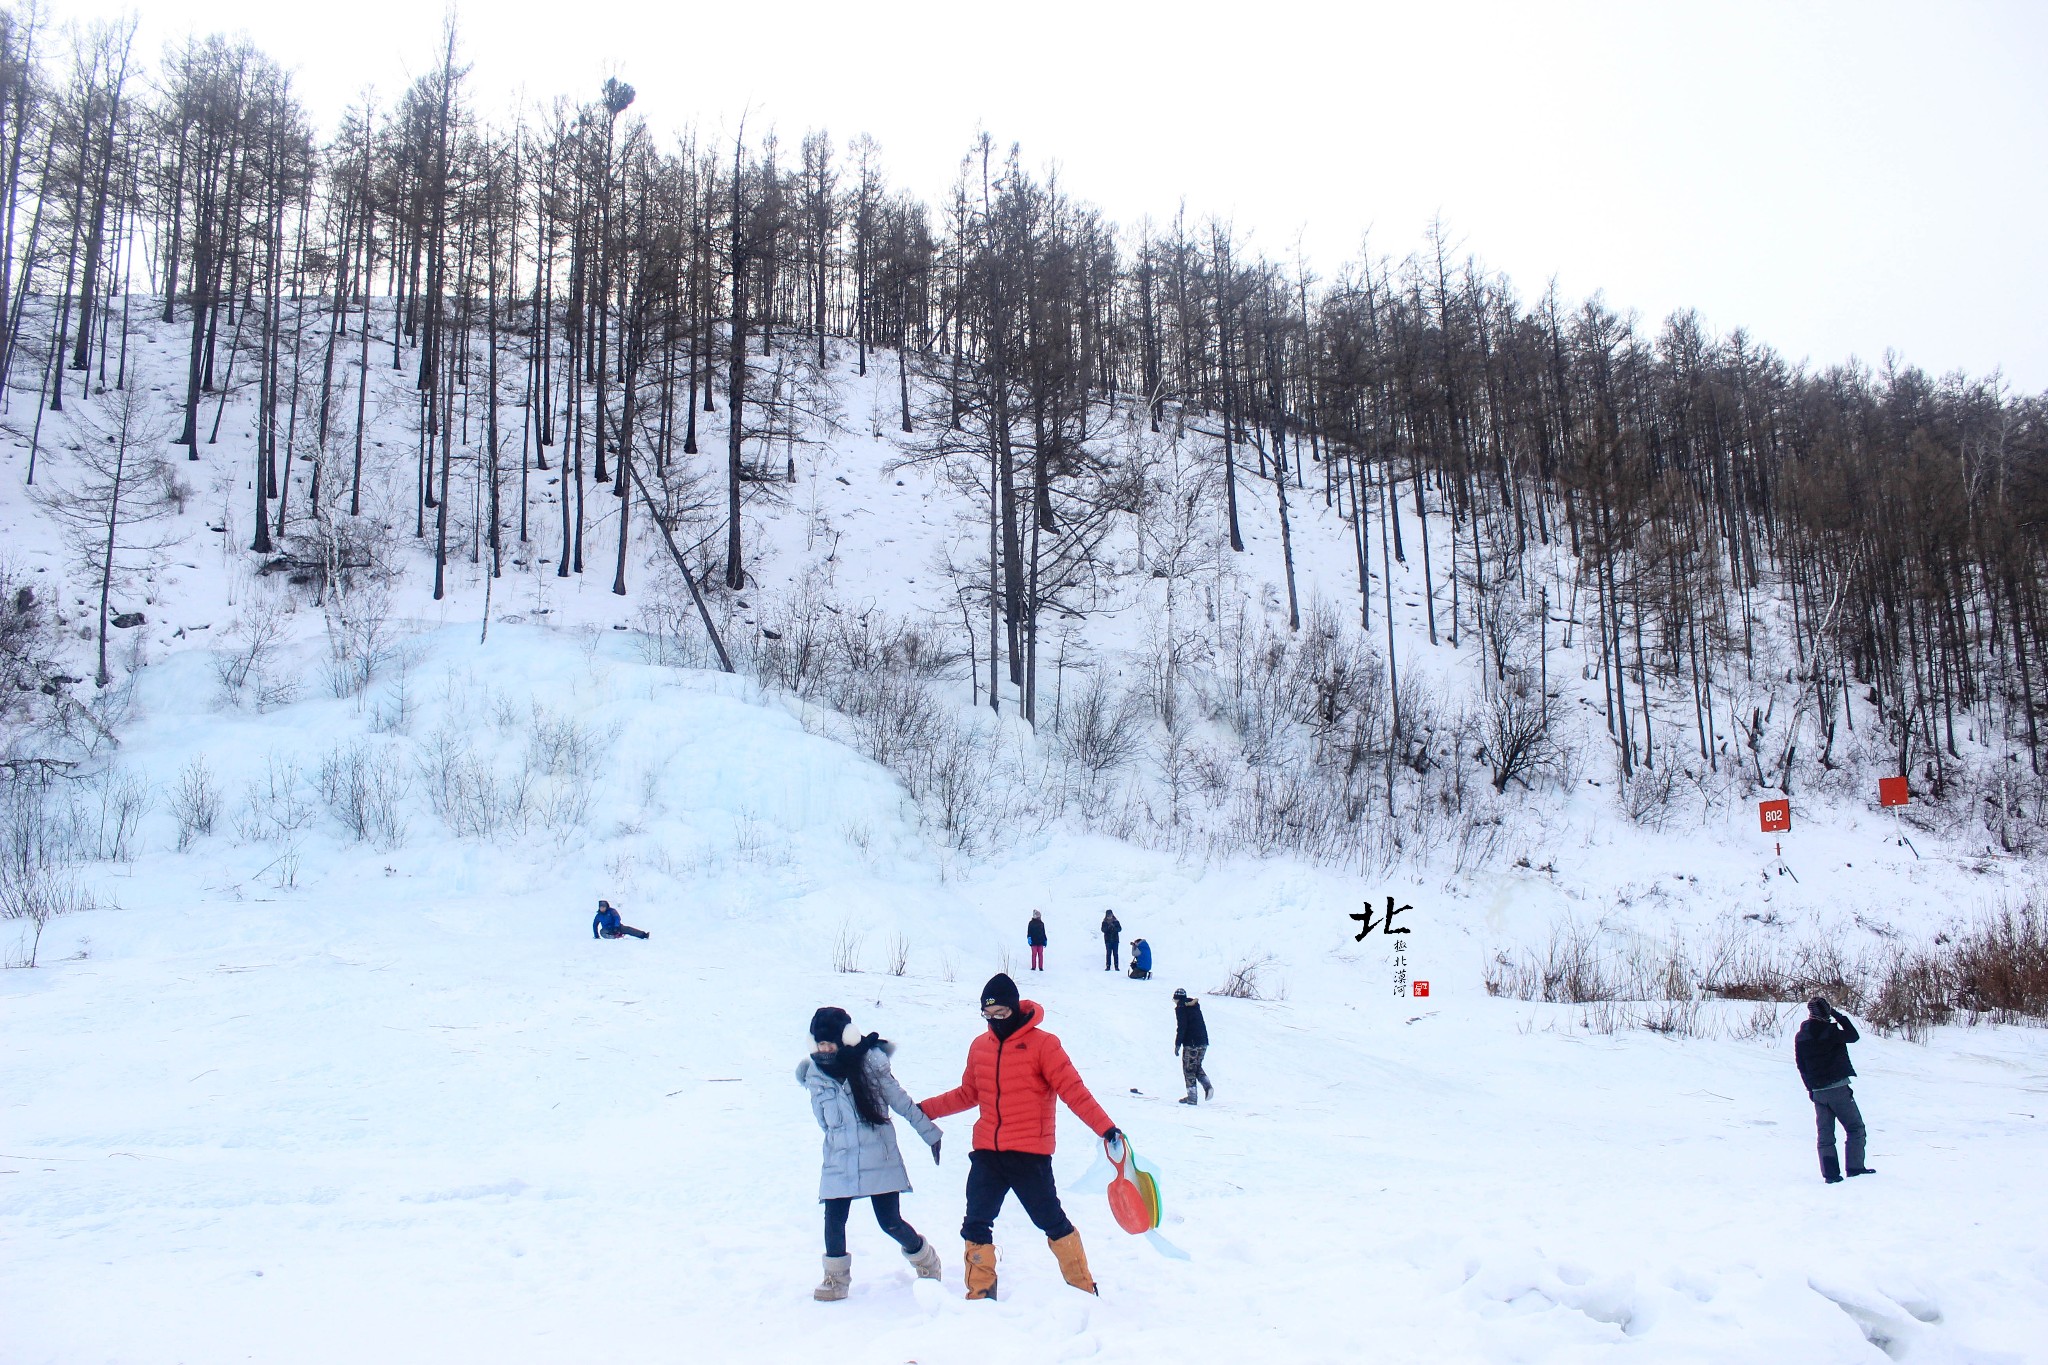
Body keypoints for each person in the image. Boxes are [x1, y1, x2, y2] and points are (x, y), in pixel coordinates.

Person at [918, 973, 1121, 1301]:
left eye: (1002, 1014)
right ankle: (981, 1292)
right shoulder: (980, 1046)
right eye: (989, 1015)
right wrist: (925, 1110)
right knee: (975, 1222)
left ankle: (1083, 1287)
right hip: (987, 1152)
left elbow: (1074, 1091)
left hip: (1029, 1154)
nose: (995, 1021)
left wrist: (1106, 1128)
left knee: (1050, 1221)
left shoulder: (1044, 1045)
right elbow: (969, 1093)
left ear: (1015, 1008)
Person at [796, 1006, 945, 1300]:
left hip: (880, 1157)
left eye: (830, 1043)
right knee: (833, 1219)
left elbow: (901, 1102)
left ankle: (925, 1258)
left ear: (845, 1039)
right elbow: (824, 1122)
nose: (825, 1049)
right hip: (840, 1158)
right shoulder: (815, 1075)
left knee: (889, 1221)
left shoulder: (871, 1065)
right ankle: (835, 1280)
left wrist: (929, 1133)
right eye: (820, 1043)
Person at [1795, 996, 1875, 1184]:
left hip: (1818, 1092)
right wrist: (1838, 1015)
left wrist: (1811, 1089)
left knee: (1825, 1136)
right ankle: (1855, 1168)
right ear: (1826, 1012)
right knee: (1855, 1128)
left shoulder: (1802, 1035)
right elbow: (1853, 1036)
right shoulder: (1830, 1031)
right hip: (1838, 1089)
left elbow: (1801, 1065)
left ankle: (1830, 1175)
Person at [1172, 988, 1213, 1105]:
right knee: (1196, 1066)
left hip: (1192, 1043)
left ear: (1177, 999)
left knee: (1188, 1069)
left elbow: (1182, 1027)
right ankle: (1207, 1086)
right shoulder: (1194, 1006)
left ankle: (1192, 1097)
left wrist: (1177, 1044)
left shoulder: (1181, 1008)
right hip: (1203, 1041)